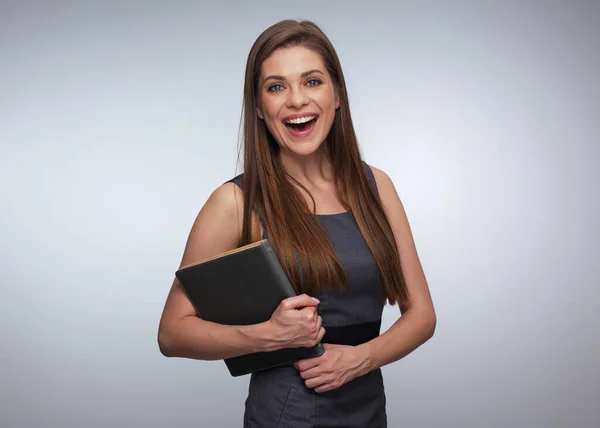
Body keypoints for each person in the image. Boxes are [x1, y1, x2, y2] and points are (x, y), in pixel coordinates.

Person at [158, 19, 436, 427]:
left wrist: (359, 360)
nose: (295, 100)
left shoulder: (377, 186)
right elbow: (172, 333)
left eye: (311, 81)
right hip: (289, 414)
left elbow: (422, 315)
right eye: (276, 87)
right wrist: (267, 335)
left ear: (336, 94)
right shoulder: (235, 202)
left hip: (368, 408)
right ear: (258, 106)